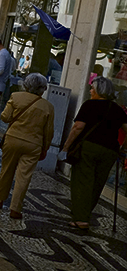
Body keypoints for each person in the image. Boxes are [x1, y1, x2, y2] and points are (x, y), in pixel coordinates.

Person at [61, 76, 127, 230]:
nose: (90, 91)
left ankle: (81, 218)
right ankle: (84, 212)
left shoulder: (90, 105)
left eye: (92, 89)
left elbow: (78, 127)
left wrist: (66, 146)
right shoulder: (117, 109)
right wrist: (123, 147)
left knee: (82, 182)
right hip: (110, 150)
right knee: (97, 183)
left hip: (89, 147)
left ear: (99, 91)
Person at [0, 73, 54, 220]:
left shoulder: (15, 96)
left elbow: (5, 117)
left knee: (7, 169)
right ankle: (16, 208)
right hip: (34, 144)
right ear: (43, 89)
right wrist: (45, 148)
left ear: (26, 85)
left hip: (13, 139)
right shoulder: (48, 107)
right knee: (24, 176)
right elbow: (49, 131)